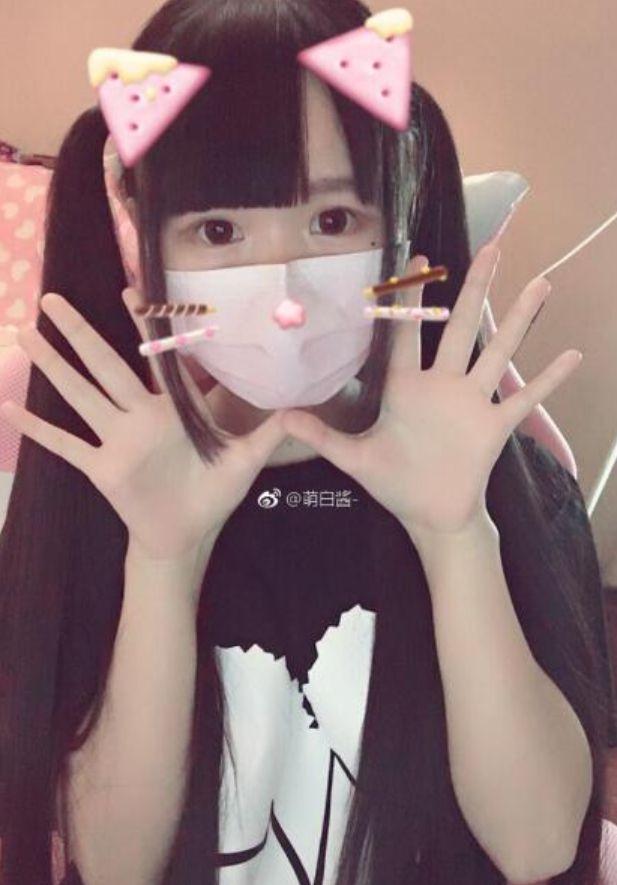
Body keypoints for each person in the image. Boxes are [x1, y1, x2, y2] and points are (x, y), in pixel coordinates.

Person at [0, 1, 613, 883]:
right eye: (218, 231)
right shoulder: (109, 483)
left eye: (331, 222)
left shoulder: (493, 475)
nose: (284, 290)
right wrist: (163, 561)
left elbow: (538, 845)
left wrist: (454, 537)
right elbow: (114, 863)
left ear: (396, 221)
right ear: (141, 239)